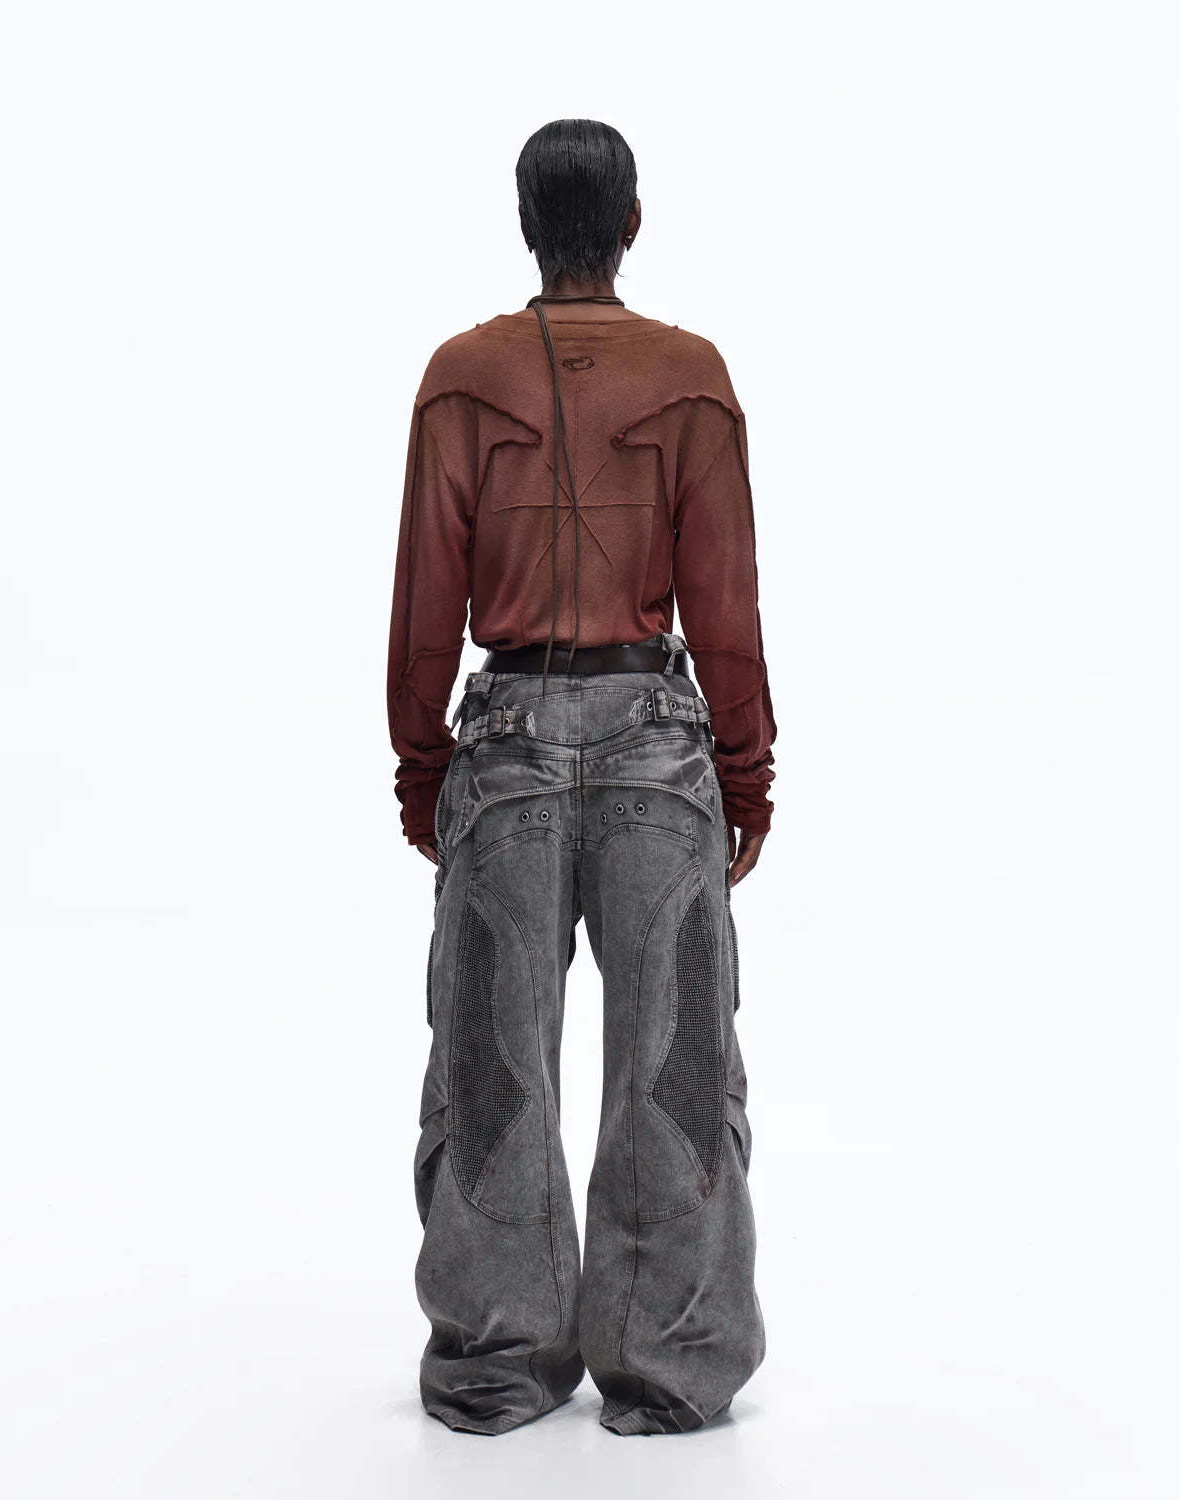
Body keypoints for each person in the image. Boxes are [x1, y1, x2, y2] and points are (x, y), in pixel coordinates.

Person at [386, 118, 776, 1436]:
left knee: (491, 1065)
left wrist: (422, 771)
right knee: (678, 1064)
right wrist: (747, 773)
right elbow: (726, 604)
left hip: (501, 749)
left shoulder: (460, 376)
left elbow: (425, 605)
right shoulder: (690, 376)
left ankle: (495, 1364)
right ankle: (669, 1365)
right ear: (633, 222)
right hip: (660, 749)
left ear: (524, 223)